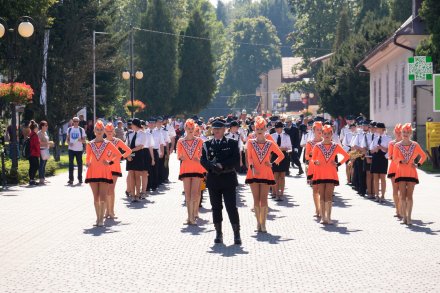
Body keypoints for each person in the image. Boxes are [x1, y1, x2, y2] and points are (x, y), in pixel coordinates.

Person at [200, 119, 241, 245]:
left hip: (228, 178)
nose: (216, 131)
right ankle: (218, 233)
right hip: (214, 179)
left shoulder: (232, 143)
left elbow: (235, 159)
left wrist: (222, 165)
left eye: (219, 129)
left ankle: (236, 234)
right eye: (215, 129)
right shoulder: (207, 144)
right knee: (216, 208)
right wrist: (212, 167)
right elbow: (202, 160)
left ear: (224, 130)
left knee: (231, 207)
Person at [246, 117, 284, 233]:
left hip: (266, 173)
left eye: (262, 128)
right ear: (254, 129)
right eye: (258, 128)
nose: (260, 130)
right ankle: (258, 223)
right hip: (253, 173)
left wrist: (272, 163)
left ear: (266, 129)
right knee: (256, 200)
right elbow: (249, 158)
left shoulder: (270, 143)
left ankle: (264, 224)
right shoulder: (250, 142)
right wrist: (252, 167)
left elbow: (281, 155)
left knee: (264, 199)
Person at [85, 120, 121, 227]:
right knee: (96, 197)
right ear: (94, 131)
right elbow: (87, 158)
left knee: (103, 196)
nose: (99, 131)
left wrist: (110, 162)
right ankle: (98, 218)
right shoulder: (90, 144)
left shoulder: (108, 144)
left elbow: (118, 154)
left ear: (103, 131)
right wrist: (87, 163)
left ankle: (101, 220)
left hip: (105, 172)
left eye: (101, 130)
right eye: (97, 129)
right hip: (92, 172)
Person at [311, 125, 350, 224]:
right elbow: (313, 158)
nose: (327, 135)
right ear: (322, 134)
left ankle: (329, 217)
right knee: (322, 195)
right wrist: (316, 162)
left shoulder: (335, 146)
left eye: (329, 133)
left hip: (331, 174)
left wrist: (338, 164)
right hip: (320, 173)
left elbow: (346, 155)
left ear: (332, 134)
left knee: (329, 196)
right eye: (325, 133)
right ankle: (323, 217)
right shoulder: (317, 146)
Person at [394, 123, 427, 225]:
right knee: (402, 196)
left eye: (408, 132)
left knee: (410, 196)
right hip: (401, 173)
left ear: (410, 133)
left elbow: (423, 156)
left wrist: (418, 164)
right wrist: (400, 160)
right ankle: (404, 216)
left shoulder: (415, 145)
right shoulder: (397, 145)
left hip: (411, 173)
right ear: (401, 132)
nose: (405, 134)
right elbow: (394, 159)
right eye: (404, 132)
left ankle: (409, 217)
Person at [177, 119, 206, 225]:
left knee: (195, 194)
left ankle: (193, 215)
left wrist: (199, 159)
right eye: (188, 128)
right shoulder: (180, 141)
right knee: (187, 195)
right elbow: (178, 156)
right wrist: (181, 156)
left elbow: (203, 154)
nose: (190, 130)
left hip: (197, 168)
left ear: (194, 129)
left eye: (192, 128)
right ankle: (189, 217)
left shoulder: (199, 140)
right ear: (185, 129)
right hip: (185, 169)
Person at [104, 123, 132, 219]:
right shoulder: (102, 142)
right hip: (104, 168)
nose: (109, 133)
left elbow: (128, 151)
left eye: (111, 131)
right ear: (105, 132)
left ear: (114, 132)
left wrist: (120, 157)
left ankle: (111, 211)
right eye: (107, 131)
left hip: (114, 167)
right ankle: (106, 210)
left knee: (111, 189)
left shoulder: (117, 141)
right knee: (105, 190)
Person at [370, 122, 391, 203]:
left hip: (383, 158)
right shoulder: (375, 138)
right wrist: (375, 149)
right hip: (375, 158)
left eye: (377, 128)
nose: (376, 129)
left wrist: (381, 147)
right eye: (376, 128)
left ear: (383, 129)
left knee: (382, 177)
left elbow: (389, 150)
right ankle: (376, 195)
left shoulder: (388, 138)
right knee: (375, 177)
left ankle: (382, 195)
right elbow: (371, 150)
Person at [305, 121, 324, 217]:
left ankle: (322, 208)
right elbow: (306, 156)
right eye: (317, 130)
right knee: (315, 190)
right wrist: (314, 154)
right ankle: (317, 209)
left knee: (322, 190)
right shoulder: (310, 143)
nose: (319, 131)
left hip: (324, 169)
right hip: (313, 168)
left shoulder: (326, 142)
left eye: (321, 130)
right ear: (313, 131)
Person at [125, 118, 146, 202]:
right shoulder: (129, 134)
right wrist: (128, 155)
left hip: (138, 155)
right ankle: (133, 195)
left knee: (137, 176)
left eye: (132, 124)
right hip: (130, 155)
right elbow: (126, 145)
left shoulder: (142, 134)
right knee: (131, 176)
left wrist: (131, 151)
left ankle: (137, 195)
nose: (131, 126)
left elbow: (141, 146)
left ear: (135, 125)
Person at [270, 121, 291, 201]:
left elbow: (289, 147)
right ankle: (274, 192)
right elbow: (270, 147)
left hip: (284, 156)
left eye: (280, 128)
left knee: (282, 176)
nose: (278, 129)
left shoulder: (286, 136)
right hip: (275, 155)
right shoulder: (272, 136)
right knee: (275, 175)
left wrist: (281, 148)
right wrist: (280, 148)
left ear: (282, 128)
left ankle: (281, 193)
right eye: (276, 128)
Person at [387, 124, 403, 218]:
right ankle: (397, 209)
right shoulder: (391, 143)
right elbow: (390, 156)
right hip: (394, 168)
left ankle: (402, 209)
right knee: (395, 190)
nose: (398, 134)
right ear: (394, 132)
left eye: (399, 132)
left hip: (404, 169)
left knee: (402, 190)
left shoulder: (407, 143)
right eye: (396, 132)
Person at [67, 117, 86, 185]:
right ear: (73, 122)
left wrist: (79, 140)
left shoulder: (81, 130)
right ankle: (71, 179)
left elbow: (84, 141)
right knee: (70, 164)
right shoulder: (69, 129)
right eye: (74, 121)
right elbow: (67, 139)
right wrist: (69, 143)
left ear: (78, 122)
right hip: (71, 149)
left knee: (80, 164)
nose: (75, 122)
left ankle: (80, 179)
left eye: (77, 121)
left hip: (79, 149)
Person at [37, 121, 52, 185]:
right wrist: (48, 143)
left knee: (44, 165)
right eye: (46, 125)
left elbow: (46, 141)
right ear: (42, 126)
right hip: (42, 150)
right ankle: (41, 179)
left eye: (47, 125)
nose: (47, 127)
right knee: (42, 165)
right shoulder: (39, 133)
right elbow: (39, 143)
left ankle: (43, 177)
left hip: (46, 149)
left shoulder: (45, 132)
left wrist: (49, 143)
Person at [28, 120, 40, 186]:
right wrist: (39, 153)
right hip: (34, 153)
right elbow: (36, 145)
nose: (38, 129)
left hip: (31, 153)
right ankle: (31, 179)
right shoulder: (34, 135)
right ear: (35, 128)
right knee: (35, 166)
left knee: (32, 166)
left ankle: (31, 179)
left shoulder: (31, 134)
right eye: (37, 128)